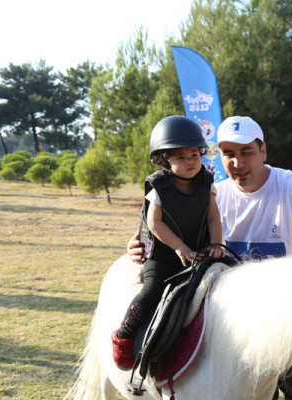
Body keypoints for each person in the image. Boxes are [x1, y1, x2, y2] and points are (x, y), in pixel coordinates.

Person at [127, 115, 292, 399]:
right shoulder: (213, 193)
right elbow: (171, 229)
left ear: (263, 151)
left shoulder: (291, 185)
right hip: (242, 322)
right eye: (228, 153)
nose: (237, 162)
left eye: (246, 152)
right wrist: (141, 244)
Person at [112, 115, 224, 370]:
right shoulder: (159, 188)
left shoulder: (207, 184)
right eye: (181, 157)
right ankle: (124, 335)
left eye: (194, 155)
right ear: (164, 160)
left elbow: (213, 217)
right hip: (162, 256)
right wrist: (179, 247)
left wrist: (217, 244)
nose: (190, 162)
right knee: (151, 290)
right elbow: (154, 223)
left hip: (199, 254)